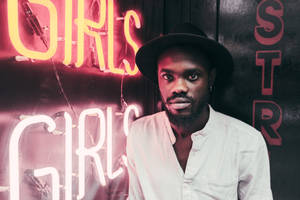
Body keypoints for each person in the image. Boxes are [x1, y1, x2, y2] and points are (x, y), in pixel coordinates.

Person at [126, 23, 273, 200]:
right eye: (168, 77)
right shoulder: (140, 133)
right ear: (158, 80)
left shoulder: (246, 142)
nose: (179, 88)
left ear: (210, 78)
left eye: (192, 76)